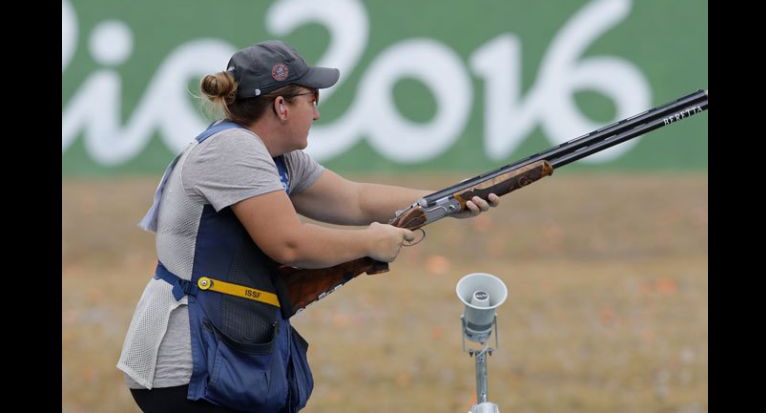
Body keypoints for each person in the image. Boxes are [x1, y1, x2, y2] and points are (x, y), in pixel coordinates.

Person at [117, 40, 500, 412]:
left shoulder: (277, 157)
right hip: (190, 369)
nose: (316, 113)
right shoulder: (234, 149)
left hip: (221, 359)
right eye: (311, 100)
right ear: (281, 106)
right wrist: (369, 242)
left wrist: (449, 200)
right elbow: (289, 244)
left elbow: (356, 199)